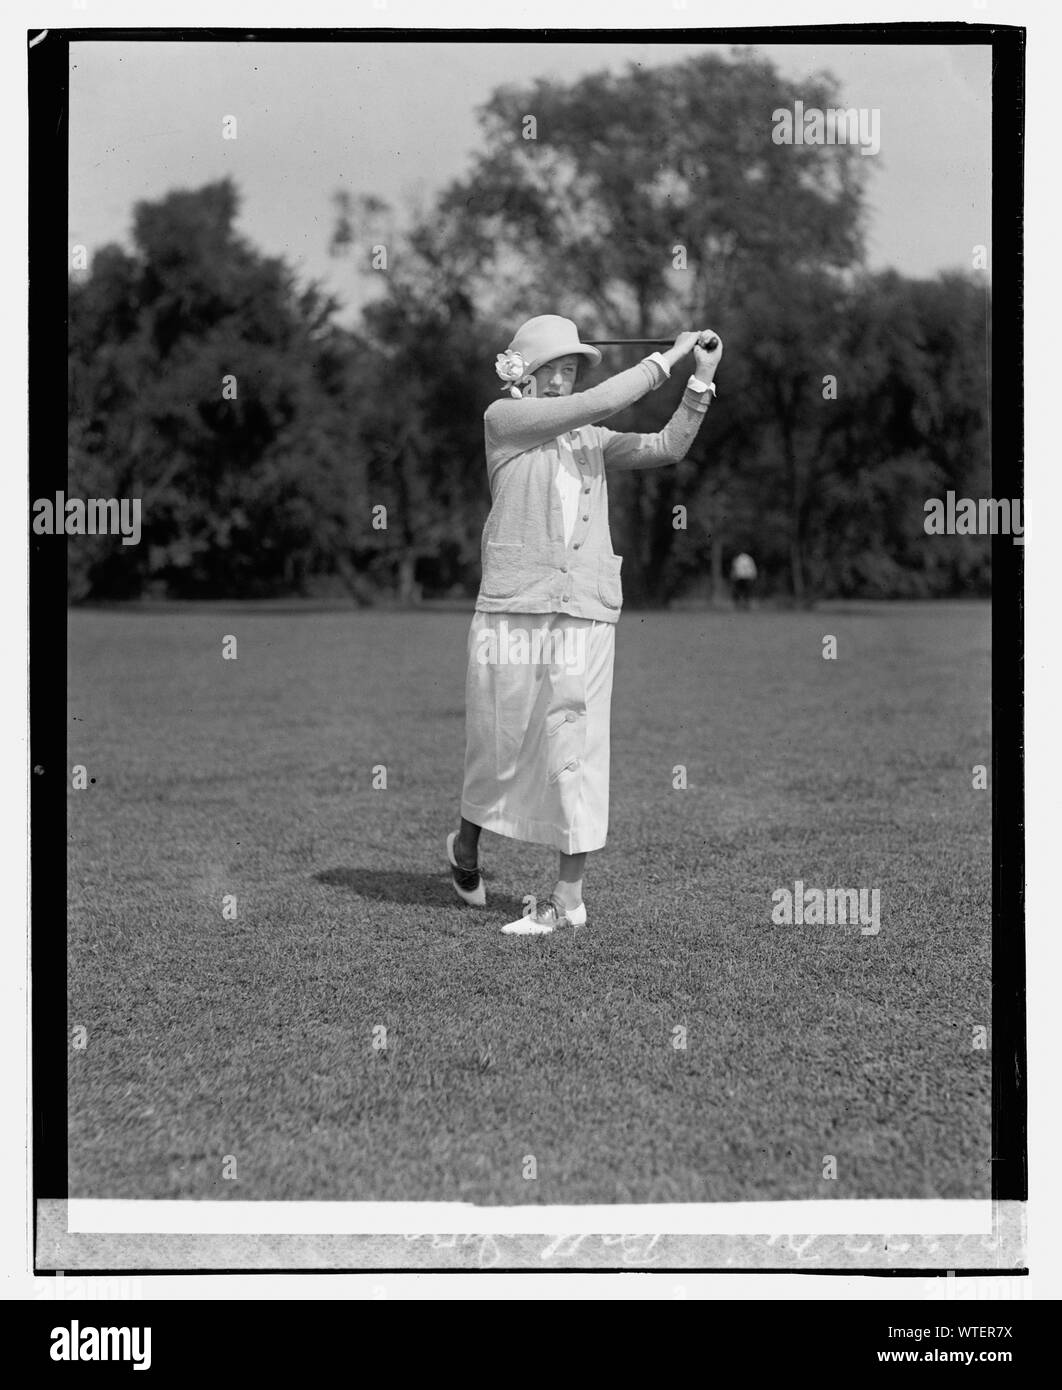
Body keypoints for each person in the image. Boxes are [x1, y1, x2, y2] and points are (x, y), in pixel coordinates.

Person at [446, 314, 723, 934]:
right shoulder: (504, 422)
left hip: (587, 612)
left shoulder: (591, 439)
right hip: (512, 609)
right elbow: (602, 400)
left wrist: (699, 381)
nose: (565, 383)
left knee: (576, 749)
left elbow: (665, 447)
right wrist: (667, 359)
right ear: (526, 372)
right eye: (555, 370)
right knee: (502, 743)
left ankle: (568, 901)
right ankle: (466, 848)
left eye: (572, 372)